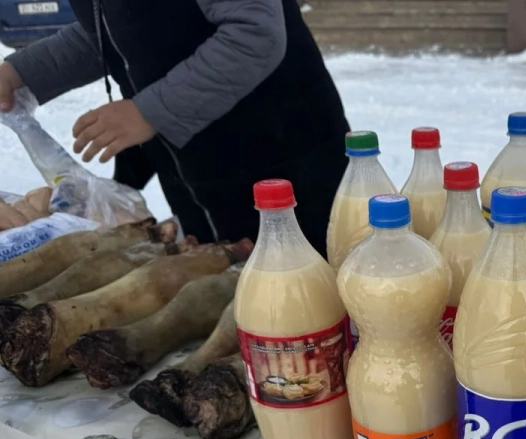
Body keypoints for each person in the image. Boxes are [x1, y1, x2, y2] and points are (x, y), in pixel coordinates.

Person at [0, 0, 350, 256]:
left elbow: (254, 34)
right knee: (224, 292)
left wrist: (149, 112)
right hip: (198, 172)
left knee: (304, 307)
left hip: (282, 157)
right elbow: (111, 32)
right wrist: (20, 72)